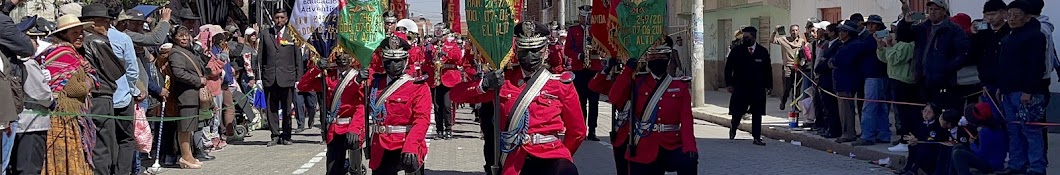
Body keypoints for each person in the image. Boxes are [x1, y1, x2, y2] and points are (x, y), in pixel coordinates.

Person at [450, 21, 586, 175]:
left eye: (536, 50)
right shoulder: (503, 81)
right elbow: (456, 95)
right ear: (517, 51)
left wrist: (564, 154)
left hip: (551, 155)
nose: (530, 56)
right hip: (514, 158)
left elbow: (578, 131)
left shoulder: (561, 84)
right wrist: (484, 84)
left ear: (546, 51)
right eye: (525, 51)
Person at [608, 37, 698, 174]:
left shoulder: (679, 86)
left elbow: (686, 120)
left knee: (689, 162)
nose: (656, 59)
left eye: (660, 56)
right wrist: (627, 70)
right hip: (644, 145)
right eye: (652, 56)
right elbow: (614, 97)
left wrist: (690, 147)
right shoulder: (637, 82)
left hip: (671, 144)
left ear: (668, 59)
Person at [76, 4, 137, 174]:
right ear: (93, 23)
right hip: (100, 96)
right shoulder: (97, 41)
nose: (107, 27)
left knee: (97, 143)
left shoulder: (80, 42)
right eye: (104, 22)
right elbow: (117, 71)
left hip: (94, 96)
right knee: (103, 146)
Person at [32, 14, 95, 175]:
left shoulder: (71, 54)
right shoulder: (64, 54)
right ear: (63, 34)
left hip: (66, 115)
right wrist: (89, 83)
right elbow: (75, 89)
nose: (80, 35)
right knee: (66, 156)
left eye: (81, 32)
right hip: (62, 117)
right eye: (75, 33)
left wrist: (88, 78)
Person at [364, 36, 432, 175]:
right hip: (381, 146)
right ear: (383, 61)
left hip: (406, 143)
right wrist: (358, 79)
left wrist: (411, 146)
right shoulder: (375, 84)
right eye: (389, 62)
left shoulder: (417, 86)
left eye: (398, 61)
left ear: (406, 61)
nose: (393, 65)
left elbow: (421, 120)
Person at [998, 1, 1049, 174]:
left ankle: (1036, 167)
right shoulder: (1009, 36)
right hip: (1008, 91)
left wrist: (1029, 91)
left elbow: (1036, 66)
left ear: (1027, 17)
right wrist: (1001, 86)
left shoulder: (1035, 36)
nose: (1011, 19)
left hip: (1027, 93)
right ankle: (1016, 164)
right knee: (1013, 131)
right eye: (1009, 14)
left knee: (1031, 131)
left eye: (1016, 15)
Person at [297, 50, 368, 175]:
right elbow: (302, 86)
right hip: (334, 128)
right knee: (332, 171)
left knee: (355, 170)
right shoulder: (329, 76)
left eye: (346, 54)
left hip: (352, 127)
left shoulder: (358, 76)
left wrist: (355, 128)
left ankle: (352, 166)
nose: (342, 57)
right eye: (338, 54)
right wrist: (317, 69)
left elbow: (361, 106)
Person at [897, 0, 970, 110]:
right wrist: (906, 23)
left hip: (944, 82)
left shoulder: (954, 29)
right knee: (925, 115)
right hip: (923, 79)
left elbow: (963, 53)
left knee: (943, 114)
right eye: (930, 9)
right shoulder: (923, 27)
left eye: (936, 9)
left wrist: (946, 69)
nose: (932, 12)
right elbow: (903, 37)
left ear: (944, 11)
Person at [10, 16, 54, 175]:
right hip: (31, 124)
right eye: (34, 38)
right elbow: (41, 94)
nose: (37, 42)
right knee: (29, 169)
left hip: (17, 123)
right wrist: (52, 100)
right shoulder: (27, 62)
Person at [259, 9, 303, 146]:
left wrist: (298, 78)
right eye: (277, 17)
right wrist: (259, 77)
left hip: (287, 77)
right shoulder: (266, 34)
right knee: (271, 108)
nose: (279, 20)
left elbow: (298, 58)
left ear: (286, 19)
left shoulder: (292, 34)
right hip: (270, 77)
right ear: (273, 18)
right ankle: (275, 135)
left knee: (287, 110)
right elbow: (260, 57)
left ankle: (286, 135)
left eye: (282, 17)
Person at [725, 26, 772, 146]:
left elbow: (768, 69)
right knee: (738, 112)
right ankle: (733, 128)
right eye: (743, 37)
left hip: (758, 88)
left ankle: (757, 137)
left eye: (747, 37)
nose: (744, 39)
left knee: (757, 112)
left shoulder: (762, 51)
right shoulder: (737, 51)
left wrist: (769, 85)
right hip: (741, 87)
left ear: (753, 37)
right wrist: (729, 84)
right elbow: (728, 68)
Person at [167, 25, 206, 169]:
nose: (184, 38)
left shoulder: (188, 51)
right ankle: (185, 157)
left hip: (192, 95)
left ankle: (189, 155)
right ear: (174, 37)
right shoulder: (176, 53)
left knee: (190, 128)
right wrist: (198, 80)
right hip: (185, 95)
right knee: (184, 128)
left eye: (186, 35)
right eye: (180, 35)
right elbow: (179, 73)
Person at [567, 8, 604, 141]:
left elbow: (603, 49)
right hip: (580, 69)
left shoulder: (597, 30)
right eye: (584, 16)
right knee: (581, 101)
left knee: (594, 101)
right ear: (580, 16)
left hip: (594, 68)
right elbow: (567, 50)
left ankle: (593, 130)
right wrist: (578, 55)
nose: (586, 19)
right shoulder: (573, 30)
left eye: (588, 16)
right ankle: (582, 129)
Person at [854, 14, 891, 146]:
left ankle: (868, 135)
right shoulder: (875, 38)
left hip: (874, 76)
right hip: (879, 75)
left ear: (879, 26)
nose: (870, 26)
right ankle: (883, 134)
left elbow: (861, 49)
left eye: (873, 24)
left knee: (869, 106)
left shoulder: (874, 39)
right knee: (881, 107)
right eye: (868, 24)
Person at [830, 20, 867, 144]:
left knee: (846, 109)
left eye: (843, 31)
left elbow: (840, 60)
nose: (840, 33)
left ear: (849, 33)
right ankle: (847, 131)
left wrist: (833, 62)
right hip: (844, 80)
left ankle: (848, 133)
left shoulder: (853, 45)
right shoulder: (845, 44)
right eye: (840, 31)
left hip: (847, 81)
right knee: (845, 108)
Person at [430, 28, 464, 140]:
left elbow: (458, 57)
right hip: (436, 78)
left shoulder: (452, 45)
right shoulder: (433, 45)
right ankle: (439, 129)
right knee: (437, 106)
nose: (440, 38)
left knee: (447, 105)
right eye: (438, 36)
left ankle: (448, 129)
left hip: (448, 78)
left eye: (442, 36)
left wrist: (445, 53)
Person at [771, 24, 805, 111]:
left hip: (798, 67)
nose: (795, 32)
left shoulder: (801, 41)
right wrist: (775, 31)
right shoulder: (783, 40)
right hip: (788, 67)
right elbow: (772, 40)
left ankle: (795, 104)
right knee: (787, 87)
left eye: (796, 30)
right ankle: (783, 101)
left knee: (797, 87)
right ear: (790, 32)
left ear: (799, 31)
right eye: (793, 30)